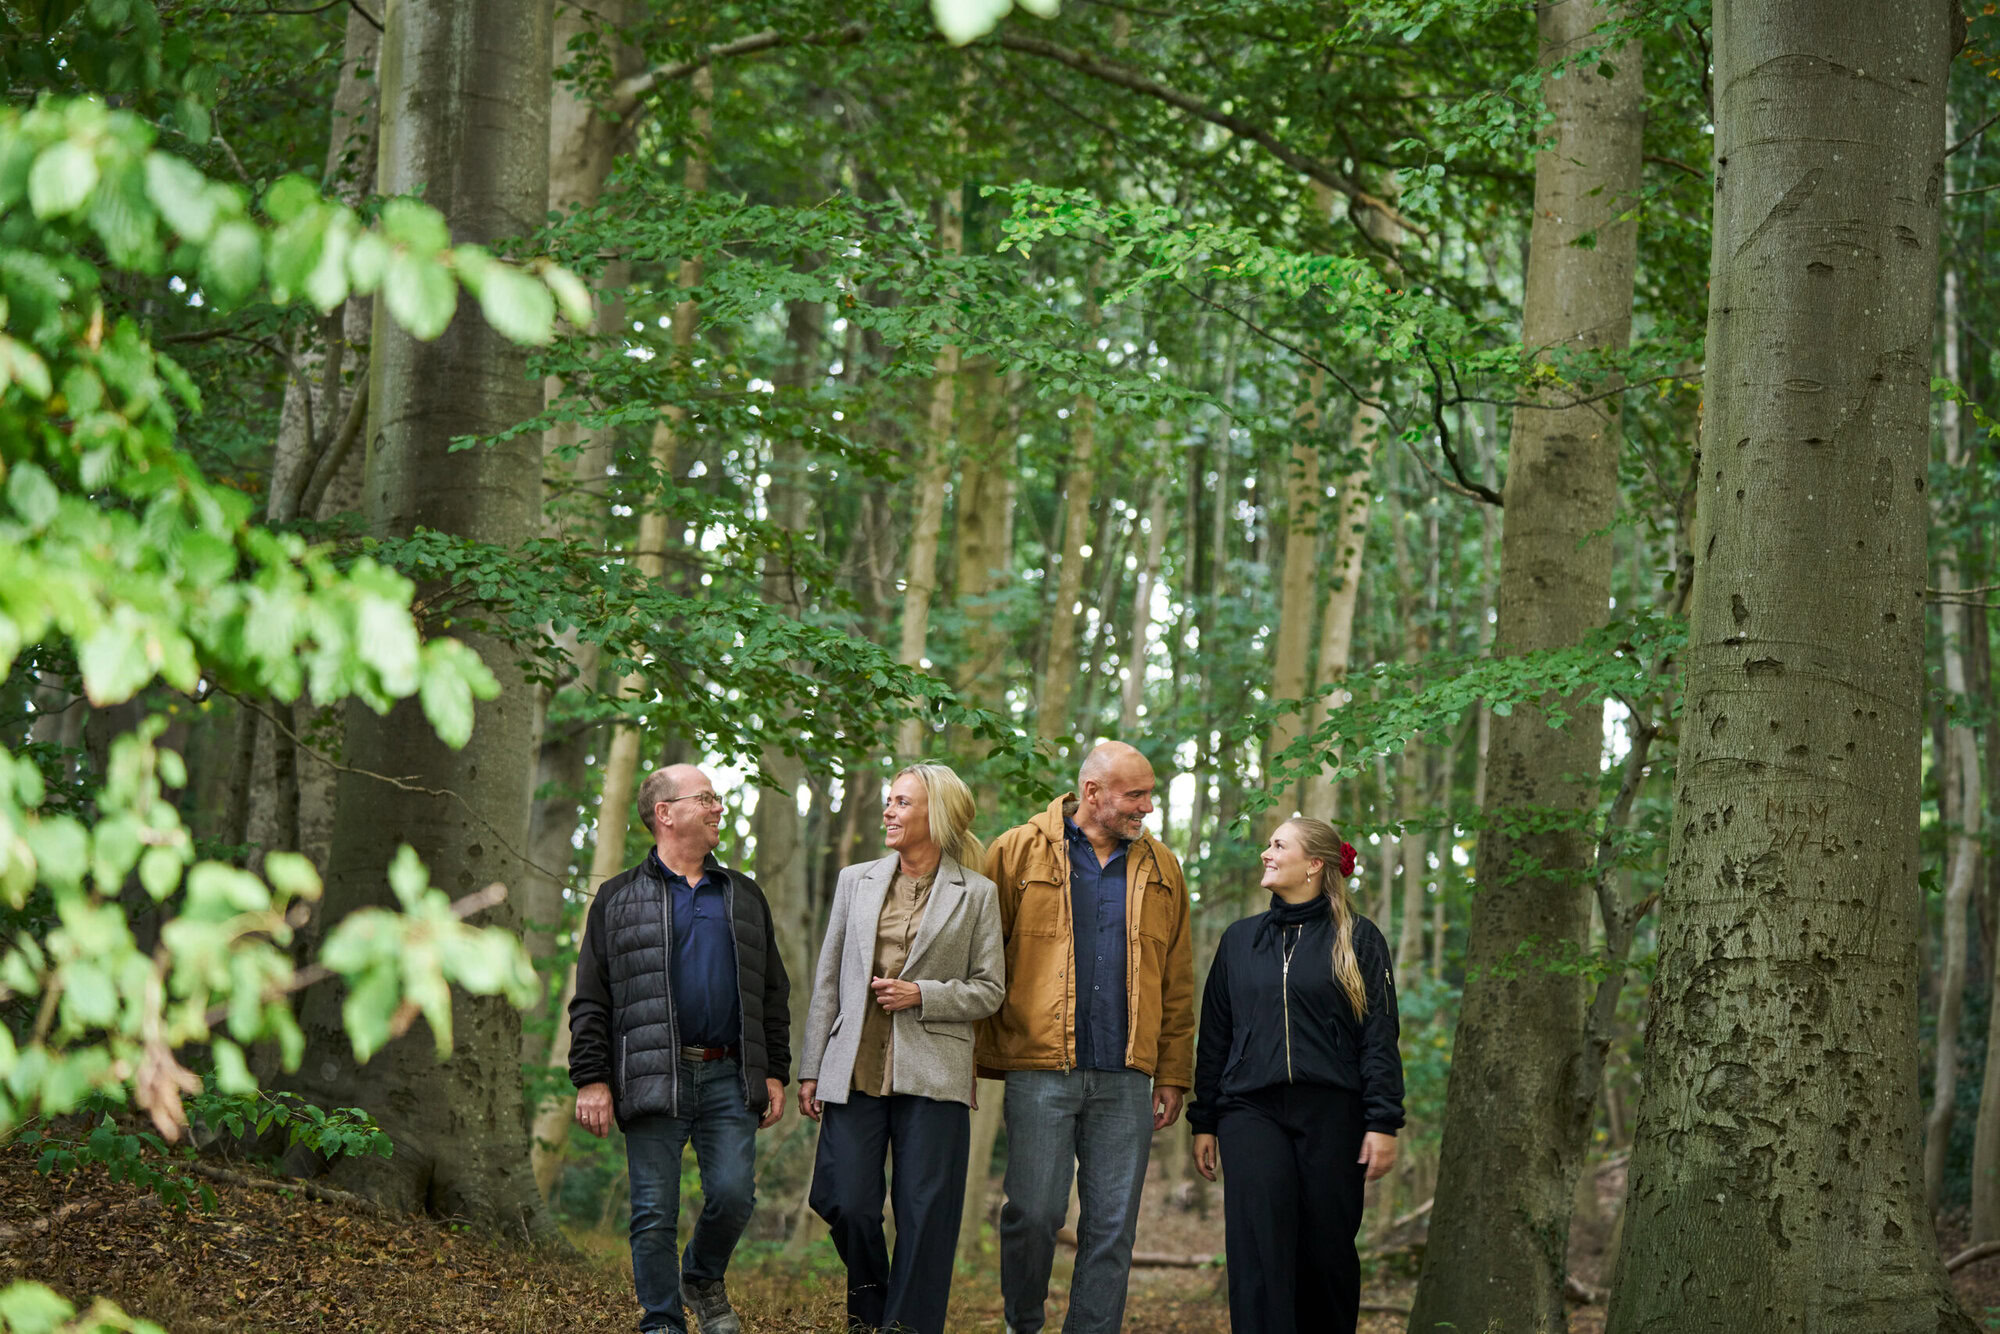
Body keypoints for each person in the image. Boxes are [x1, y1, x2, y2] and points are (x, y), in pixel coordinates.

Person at [976, 740, 1195, 1334]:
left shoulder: (1162, 867)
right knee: (1034, 1212)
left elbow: (1176, 977)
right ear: (1093, 793)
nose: (1147, 808)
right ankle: (1023, 1323)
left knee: (1112, 1226)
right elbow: (980, 959)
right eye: (1136, 795)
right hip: (1039, 1068)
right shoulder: (1014, 852)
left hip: (1127, 1076)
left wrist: (1174, 1072)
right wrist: (966, 1060)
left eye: (1150, 794)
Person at [568, 764, 792, 1334]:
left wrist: (774, 1072)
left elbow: (771, 991)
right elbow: (592, 999)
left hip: (729, 1073)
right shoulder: (616, 899)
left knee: (735, 1195)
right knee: (652, 1213)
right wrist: (591, 1078)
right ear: (665, 814)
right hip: (649, 1074)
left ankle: (700, 1275)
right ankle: (662, 1321)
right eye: (707, 798)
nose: (719, 807)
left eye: (718, 799)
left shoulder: (743, 895)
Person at [796, 762, 1005, 1334]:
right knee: (845, 1200)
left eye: (902, 803)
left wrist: (923, 994)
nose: (888, 811)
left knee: (925, 1214)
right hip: (853, 1066)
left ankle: (905, 1327)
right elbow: (829, 978)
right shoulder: (854, 880)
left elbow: (990, 990)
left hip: (935, 1071)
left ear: (935, 815)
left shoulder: (978, 894)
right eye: (889, 801)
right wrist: (811, 1067)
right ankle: (873, 1306)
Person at [1188, 817, 1404, 1334]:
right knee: (1258, 1250)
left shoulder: (1359, 939)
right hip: (1249, 1110)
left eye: (1278, 845)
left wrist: (1383, 1121)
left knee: (1326, 1254)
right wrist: (1205, 1119)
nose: (1265, 853)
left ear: (1314, 865)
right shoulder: (1239, 941)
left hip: (1334, 1113)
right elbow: (1216, 1035)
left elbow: (1379, 1035)